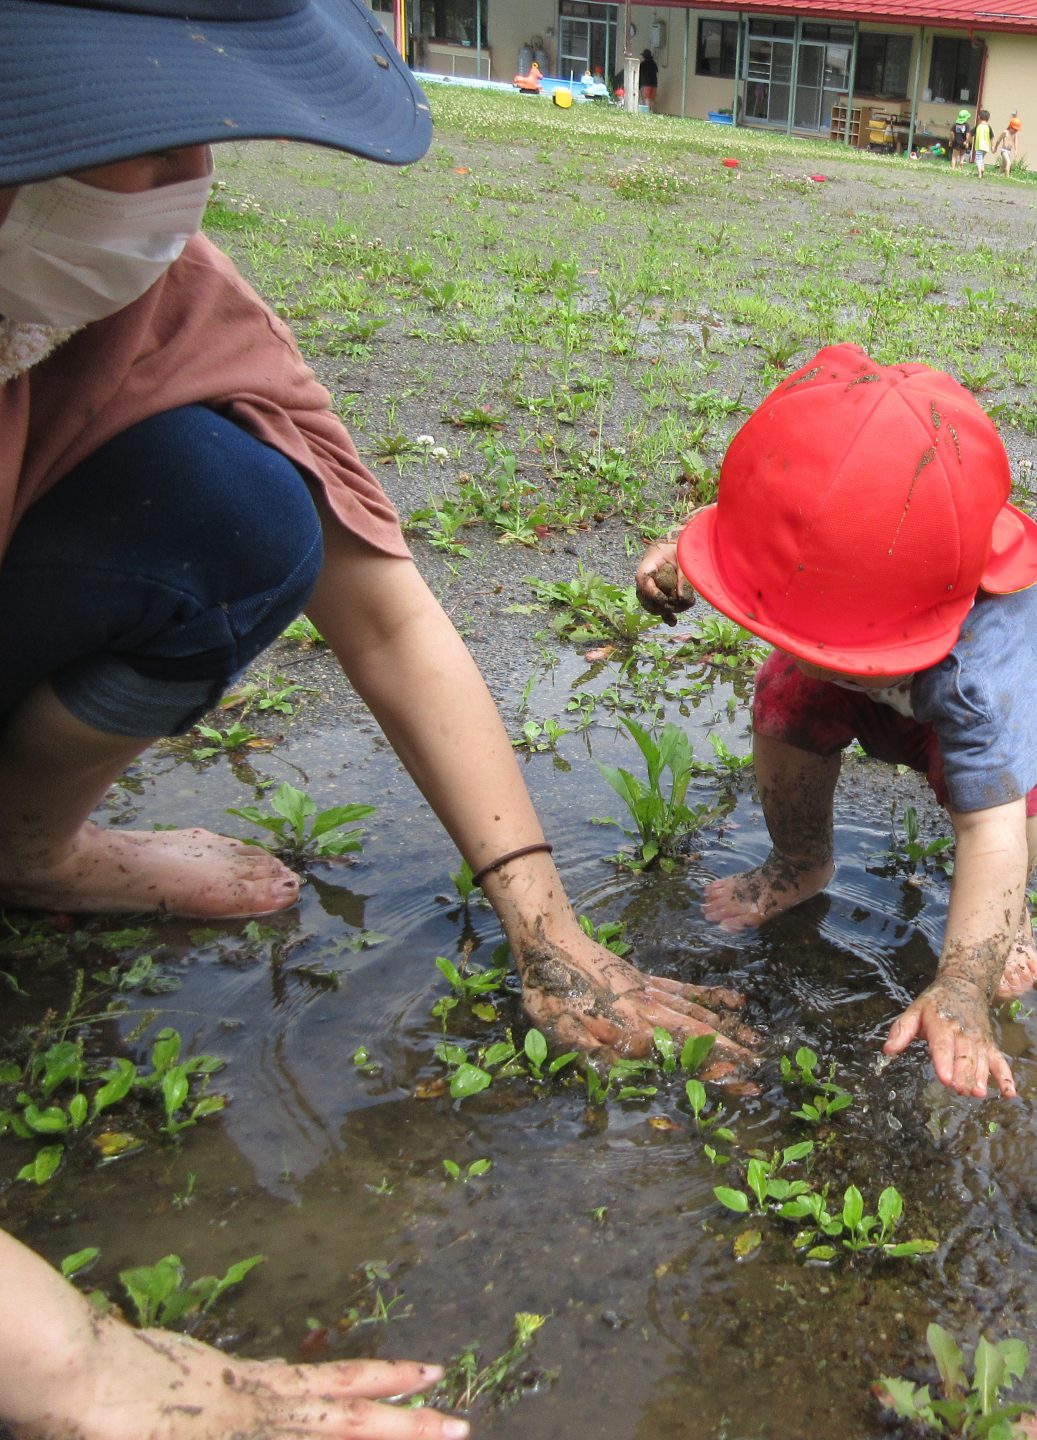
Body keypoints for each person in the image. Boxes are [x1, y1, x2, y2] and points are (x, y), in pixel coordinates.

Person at [0, 4, 745, 1434]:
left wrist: (552, 934)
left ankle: (24, 843)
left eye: (189, 133)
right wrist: (85, 1371)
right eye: (129, 131)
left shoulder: (156, 287)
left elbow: (389, 615)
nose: (182, 177)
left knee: (243, 510)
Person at [634, 345, 1037, 1102]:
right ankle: (800, 860)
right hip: (901, 653)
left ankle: (1005, 923)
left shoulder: (983, 679)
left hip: (1014, 689)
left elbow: (994, 829)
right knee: (789, 691)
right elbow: (766, 530)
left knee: (998, 790)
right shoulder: (832, 528)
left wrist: (962, 987)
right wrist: (690, 562)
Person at [973, 111, 995, 177]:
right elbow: (992, 137)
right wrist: (992, 146)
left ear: (979, 117)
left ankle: (979, 174)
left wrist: (967, 141)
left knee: (978, 160)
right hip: (986, 147)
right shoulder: (988, 127)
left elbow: (970, 134)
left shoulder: (978, 126)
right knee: (981, 159)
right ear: (988, 119)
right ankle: (982, 169)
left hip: (979, 146)